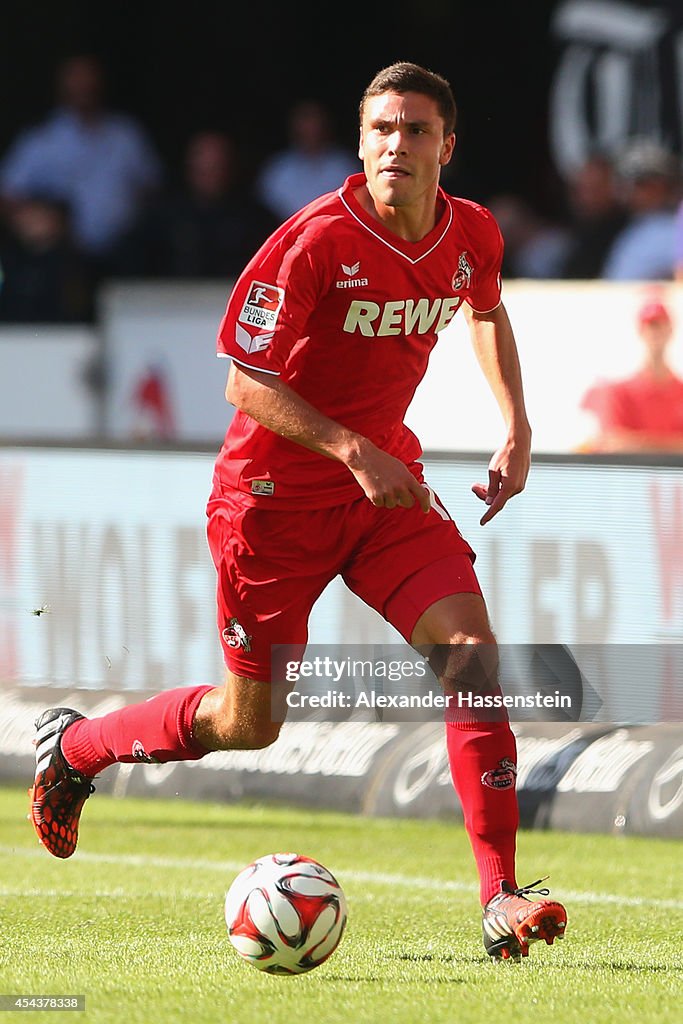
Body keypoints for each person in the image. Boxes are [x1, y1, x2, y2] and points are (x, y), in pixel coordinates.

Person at [30, 62, 567, 963]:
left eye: (416, 129)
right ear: (361, 144)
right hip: (272, 507)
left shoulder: (471, 231)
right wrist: (350, 447)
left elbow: (485, 308)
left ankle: (499, 897)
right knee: (251, 723)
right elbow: (244, 379)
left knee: (471, 664)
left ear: (447, 146)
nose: (397, 144)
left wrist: (514, 423)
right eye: (382, 129)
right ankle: (78, 747)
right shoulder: (316, 239)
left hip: (384, 496)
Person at [0, 55, 162, 270]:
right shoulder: (42, 140)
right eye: (76, 80)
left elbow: (154, 187)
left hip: (124, 255)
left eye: (88, 80)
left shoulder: (125, 135)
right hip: (64, 260)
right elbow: (7, 194)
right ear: (62, 86)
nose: (83, 87)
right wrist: (32, 218)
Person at [114, 130, 279, 278]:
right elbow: (132, 265)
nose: (210, 174)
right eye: (204, 167)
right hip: (172, 304)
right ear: (190, 167)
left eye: (217, 166)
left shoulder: (254, 218)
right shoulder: (163, 216)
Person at [579, 297, 683, 452]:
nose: (655, 333)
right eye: (650, 326)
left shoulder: (678, 391)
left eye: (660, 325)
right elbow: (611, 443)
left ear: (670, 330)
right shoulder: (620, 392)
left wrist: (636, 443)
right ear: (641, 331)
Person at [256, 99, 358, 221]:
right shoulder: (278, 169)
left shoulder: (344, 166)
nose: (310, 128)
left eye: (315, 121)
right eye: (304, 120)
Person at [601, 139, 681, 281]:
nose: (629, 192)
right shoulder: (635, 225)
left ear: (660, 186)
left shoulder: (674, 229)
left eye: (640, 184)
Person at [559, 152, 629, 279]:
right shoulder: (580, 232)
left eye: (594, 188)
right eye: (582, 188)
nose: (586, 197)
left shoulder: (629, 232)